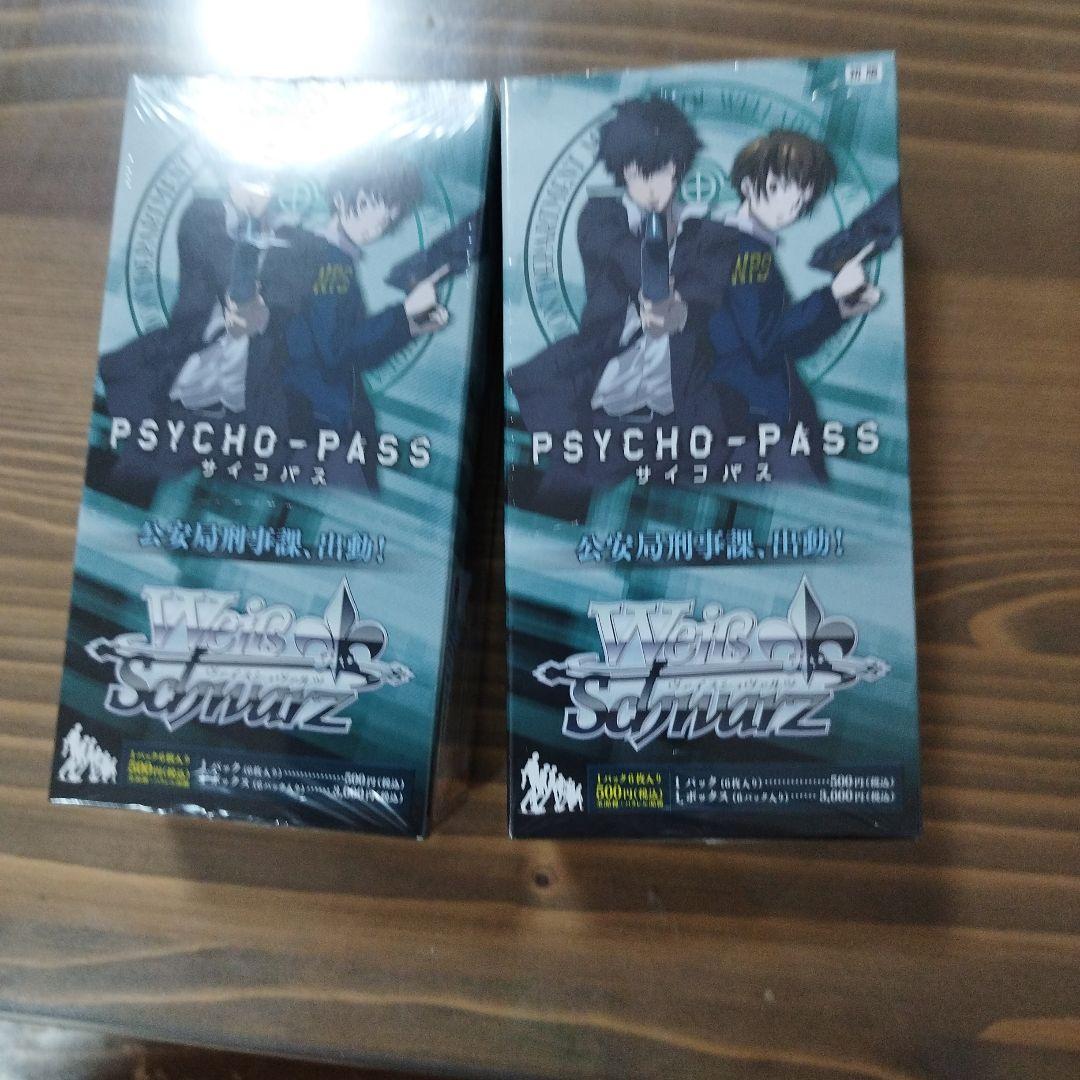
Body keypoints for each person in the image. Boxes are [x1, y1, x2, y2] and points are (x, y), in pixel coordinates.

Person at [508, 95, 740, 519]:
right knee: (564, 493)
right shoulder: (602, 217)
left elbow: (710, 295)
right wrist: (652, 296)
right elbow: (619, 256)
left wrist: (680, 313)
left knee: (681, 511)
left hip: (680, 400)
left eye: (659, 171)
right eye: (635, 174)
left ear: (677, 167)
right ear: (622, 172)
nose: (648, 187)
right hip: (606, 389)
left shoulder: (711, 234)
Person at [708, 129, 882, 480]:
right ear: (747, 185)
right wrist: (831, 296)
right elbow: (766, 344)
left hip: (744, 412)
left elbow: (778, 338)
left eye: (802, 200)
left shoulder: (736, 244)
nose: (790, 206)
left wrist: (839, 309)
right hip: (750, 413)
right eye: (777, 188)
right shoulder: (745, 250)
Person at [270, 153, 450, 491]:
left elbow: (349, 348)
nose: (377, 223)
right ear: (340, 198)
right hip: (312, 416)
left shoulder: (313, 250)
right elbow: (337, 349)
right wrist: (405, 314)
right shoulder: (331, 259)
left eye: (389, 216)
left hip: (301, 412)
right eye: (368, 205)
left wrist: (413, 321)